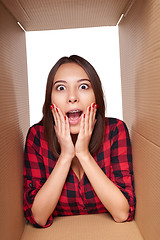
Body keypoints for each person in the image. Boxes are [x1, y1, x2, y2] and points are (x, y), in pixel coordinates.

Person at [24, 55, 136, 228]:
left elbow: (122, 213)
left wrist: (83, 154)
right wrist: (66, 156)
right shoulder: (37, 137)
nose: (72, 97)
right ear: (50, 100)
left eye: (83, 86)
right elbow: (38, 217)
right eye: (61, 88)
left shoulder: (115, 130)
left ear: (96, 96)